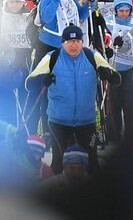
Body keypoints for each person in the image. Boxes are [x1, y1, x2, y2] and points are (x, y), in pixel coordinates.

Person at [25, 25, 118, 174]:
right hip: (58, 122)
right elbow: (30, 83)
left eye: (77, 41)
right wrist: (43, 79)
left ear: (82, 42)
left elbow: (116, 78)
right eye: (69, 41)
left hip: (87, 122)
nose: (73, 45)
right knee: (58, 164)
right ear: (62, 43)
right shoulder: (52, 57)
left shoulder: (91, 56)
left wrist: (107, 74)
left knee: (92, 164)